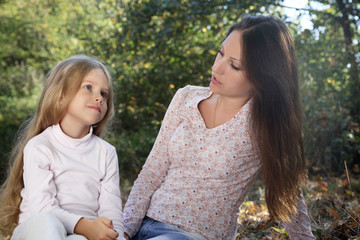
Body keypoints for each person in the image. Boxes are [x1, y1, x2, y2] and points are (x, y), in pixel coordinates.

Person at [123, 15, 315, 240]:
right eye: (221, 53)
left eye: (234, 65)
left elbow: (289, 195)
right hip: (143, 224)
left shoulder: (265, 124)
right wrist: (124, 230)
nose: (217, 67)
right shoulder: (185, 97)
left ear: (263, 77)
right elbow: (152, 172)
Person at [0, 55, 125, 240]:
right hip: (37, 230)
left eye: (104, 94)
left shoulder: (106, 153)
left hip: (80, 236)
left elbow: (112, 210)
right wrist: (86, 226)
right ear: (61, 96)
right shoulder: (40, 146)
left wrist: (116, 235)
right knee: (48, 222)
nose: (98, 97)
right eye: (88, 87)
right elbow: (42, 207)